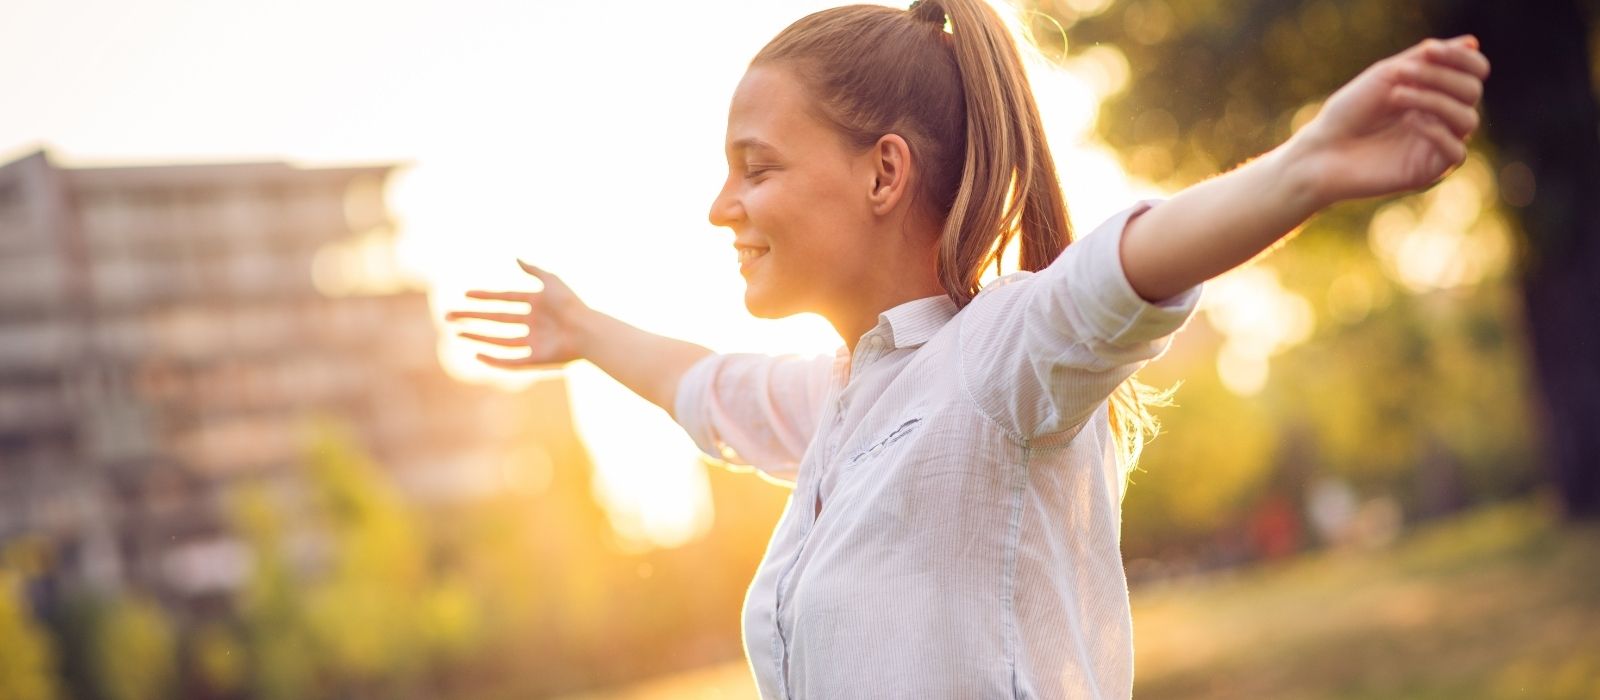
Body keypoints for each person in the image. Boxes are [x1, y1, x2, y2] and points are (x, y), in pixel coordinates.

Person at [444, 1, 1489, 697]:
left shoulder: (998, 359)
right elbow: (707, 390)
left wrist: (1304, 167)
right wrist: (582, 332)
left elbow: (1123, 269)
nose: (721, 207)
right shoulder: (840, 406)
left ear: (882, 173)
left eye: (754, 168)